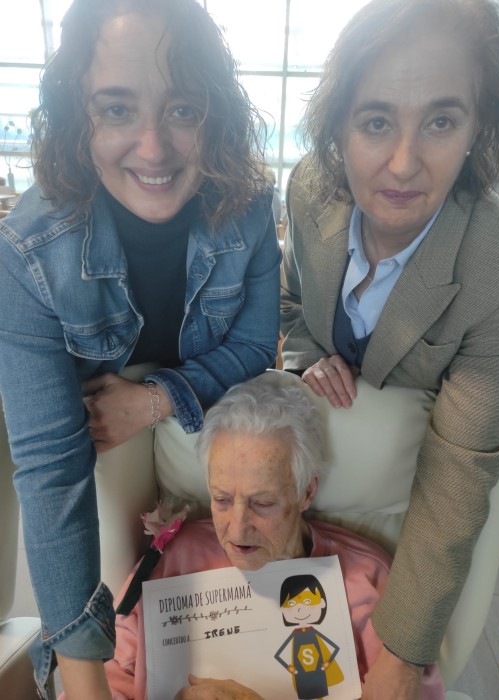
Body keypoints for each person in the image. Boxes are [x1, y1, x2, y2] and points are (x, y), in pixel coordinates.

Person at [0, 1, 280, 697]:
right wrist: (82, 680)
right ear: (79, 116)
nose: (154, 149)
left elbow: (255, 343)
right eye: (117, 110)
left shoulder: (248, 206)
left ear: (214, 115)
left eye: (182, 110)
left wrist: (154, 401)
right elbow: (51, 467)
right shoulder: (26, 250)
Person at [280, 0, 499, 698]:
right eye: (376, 121)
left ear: (479, 130)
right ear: (338, 127)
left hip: (412, 515)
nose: (404, 162)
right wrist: (306, 355)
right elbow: (292, 301)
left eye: (441, 122)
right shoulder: (309, 192)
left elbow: (458, 475)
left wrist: (401, 656)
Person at [80, 375, 442, 700]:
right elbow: (109, 676)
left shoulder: (367, 578)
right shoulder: (175, 555)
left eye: (263, 503)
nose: (237, 530)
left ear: (306, 491)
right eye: (222, 500)